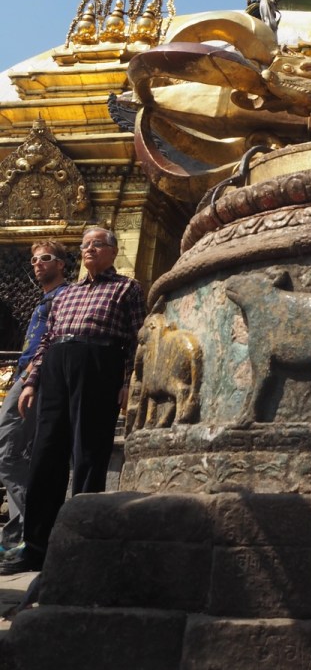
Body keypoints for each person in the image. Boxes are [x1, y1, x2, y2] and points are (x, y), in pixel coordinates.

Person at [0, 226, 146, 575]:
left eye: (97, 244)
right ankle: (35, 544)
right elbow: (47, 340)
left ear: (112, 252)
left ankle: (80, 541)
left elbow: (136, 337)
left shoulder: (126, 287)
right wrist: (33, 382)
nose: (90, 250)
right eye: (85, 245)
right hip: (55, 368)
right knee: (45, 453)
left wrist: (130, 381)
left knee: (89, 452)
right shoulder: (66, 295)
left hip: (99, 365)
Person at [0, 240, 67, 556]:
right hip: (25, 376)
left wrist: (30, 379)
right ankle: (21, 533)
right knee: (21, 454)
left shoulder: (64, 298)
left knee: (7, 450)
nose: (38, 263)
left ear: (61, 264)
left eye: (46, 258)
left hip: (36, 377)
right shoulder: (43, 301)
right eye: (35, 259)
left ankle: (40, 524)